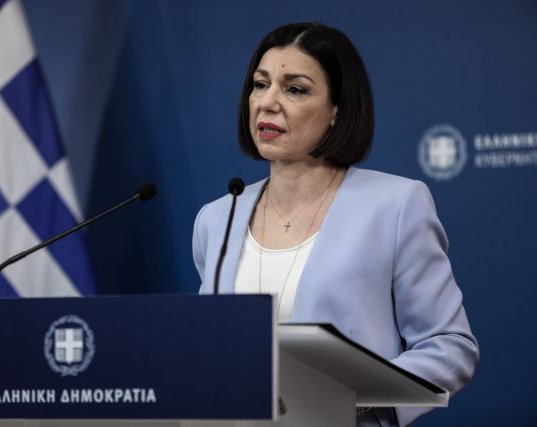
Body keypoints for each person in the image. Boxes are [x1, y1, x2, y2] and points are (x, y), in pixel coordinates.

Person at [192, 23, 479, 426]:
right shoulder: (217, 218)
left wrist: (357, 403)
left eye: (295, 89)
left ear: (337, 111)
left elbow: (449, 345)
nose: (268, 102)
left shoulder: (395, 205)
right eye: (260, 84)